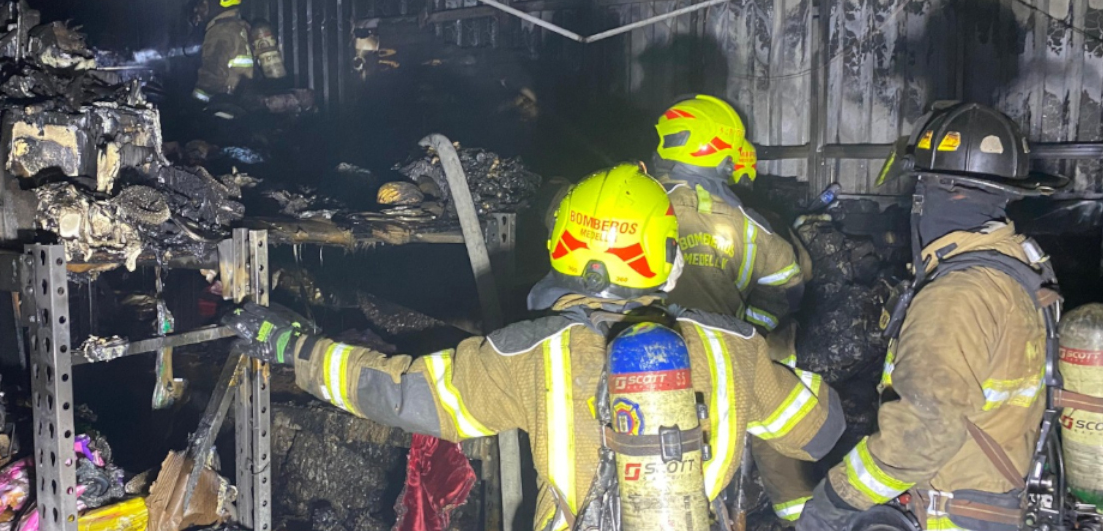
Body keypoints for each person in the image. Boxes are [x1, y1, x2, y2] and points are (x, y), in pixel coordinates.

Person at [226, 164, 844, 531]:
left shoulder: (531, 354)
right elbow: (819, 430)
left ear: (564, 250)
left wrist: (296, 347)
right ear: (668, 260)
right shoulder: (731, 345)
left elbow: (397, 391)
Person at [797, 102, 1066, 531]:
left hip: (957, 516)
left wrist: (836, 500)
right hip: (1002, 503)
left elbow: (920, 436)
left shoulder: (958, 296)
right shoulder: (1021, 269)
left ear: (940, 194)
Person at [652, 96, 817, 523]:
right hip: (728, 363)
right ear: (719, 149)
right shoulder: (747, 223)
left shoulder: (639, 204)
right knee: (771, 407)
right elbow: (789, 284)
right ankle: (794, 514)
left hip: (648, 364)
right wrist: (753, 330)